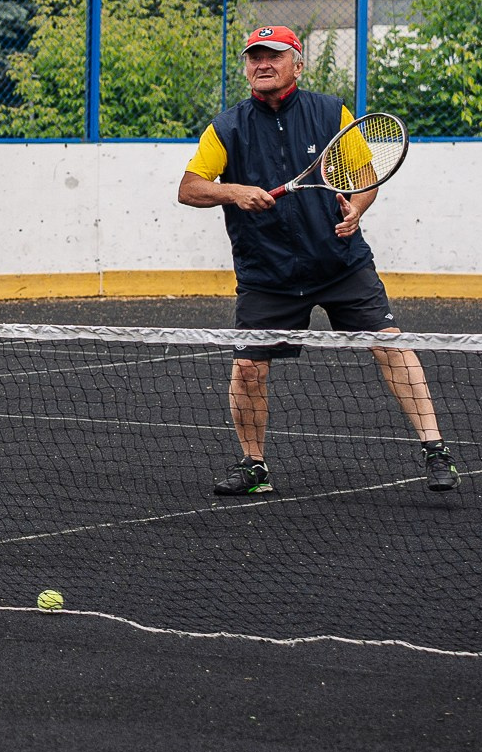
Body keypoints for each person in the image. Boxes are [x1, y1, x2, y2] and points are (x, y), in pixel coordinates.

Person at [178, 26, 454, 497]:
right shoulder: (226, 128)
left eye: (274, 56)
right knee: (248, 368)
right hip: (268, 274)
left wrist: (356, 209)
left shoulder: (331, 113)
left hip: (340, 263)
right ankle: (254, 467)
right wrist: (234, 191)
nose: (263, 64)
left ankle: (435, 450)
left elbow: (365, 178)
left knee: (390, 344)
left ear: (298, 65)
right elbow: (189, 188)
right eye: (254, 57)